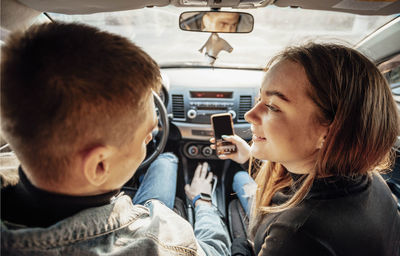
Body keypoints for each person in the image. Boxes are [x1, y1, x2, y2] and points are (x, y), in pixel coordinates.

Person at [0, 22, 230, 255]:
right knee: (167, 160)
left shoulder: (9, 158)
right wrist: (203, 201)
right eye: (145, 136)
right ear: (99, 165)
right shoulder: (167, 242)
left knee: (165, 159)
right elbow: (216, 250)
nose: (151, 137)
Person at [211, 43, 400, 255]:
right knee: (240, 179)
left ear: (329, 132)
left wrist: (239, 246)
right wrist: (247, 157)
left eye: (272, 106)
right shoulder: (372, 182)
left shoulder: (297, 234)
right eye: (259, 99)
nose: (249, 115)